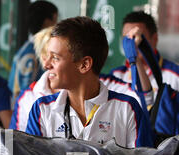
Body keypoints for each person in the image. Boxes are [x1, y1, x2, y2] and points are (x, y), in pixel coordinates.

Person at [25, 16, 153, 148]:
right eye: (48, 57)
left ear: (85, 64)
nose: (46, 65)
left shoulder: (127, 109)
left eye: (55, 58)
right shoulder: (41, 110)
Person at [110, 11, 179, 94]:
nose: (132, 44)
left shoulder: (175, 75)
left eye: (136, 38)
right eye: (126, 39)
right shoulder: (116, 76)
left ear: (155, 39)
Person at [8, 0, 58, 101]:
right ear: (47, 22)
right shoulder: (32, 54)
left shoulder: (27, 49)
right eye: (55, 20)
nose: (57, 25)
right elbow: (23, 94)